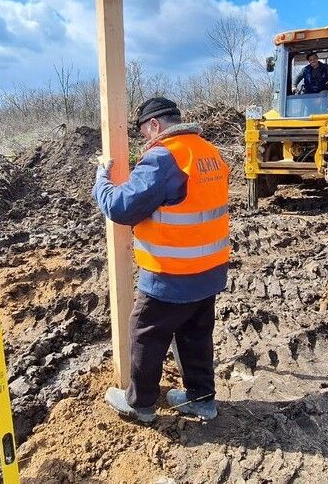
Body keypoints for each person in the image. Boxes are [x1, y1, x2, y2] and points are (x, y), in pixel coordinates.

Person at [92, 97, 229, 423]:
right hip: (209, 269)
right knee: (195, 334)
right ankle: (202, 401)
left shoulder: (164, 158)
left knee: (145, 333)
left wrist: (101, 183)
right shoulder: (208, 152)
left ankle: (140, 404)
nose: (146, 141)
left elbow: (121, 207)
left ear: (154, 125)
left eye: (144, 133)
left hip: (171, 273)